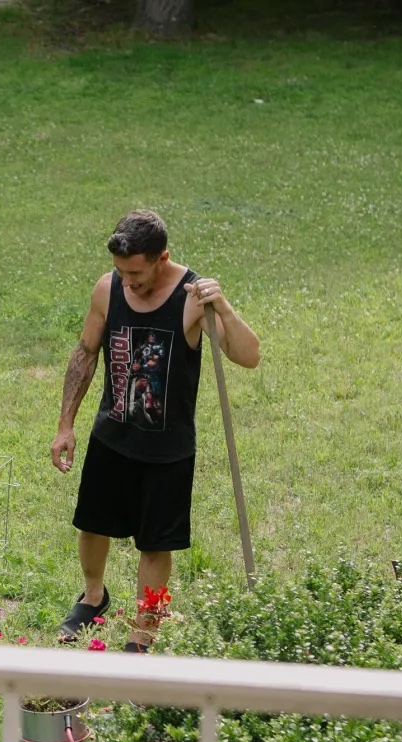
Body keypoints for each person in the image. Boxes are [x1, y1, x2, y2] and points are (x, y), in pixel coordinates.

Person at [49, 209, 261, 650]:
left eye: (136, 272)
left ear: (162, 257)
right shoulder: (109, 289)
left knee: (155, 545)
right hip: (112, 436)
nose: (128, 281)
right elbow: (86, 353)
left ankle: (144, 630)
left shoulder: (192, 300)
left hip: (168, 449)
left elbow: (249, 355)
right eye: (121, 271)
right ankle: (93, 597)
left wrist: (223, 305)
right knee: (92, 525)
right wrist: (65, 424)